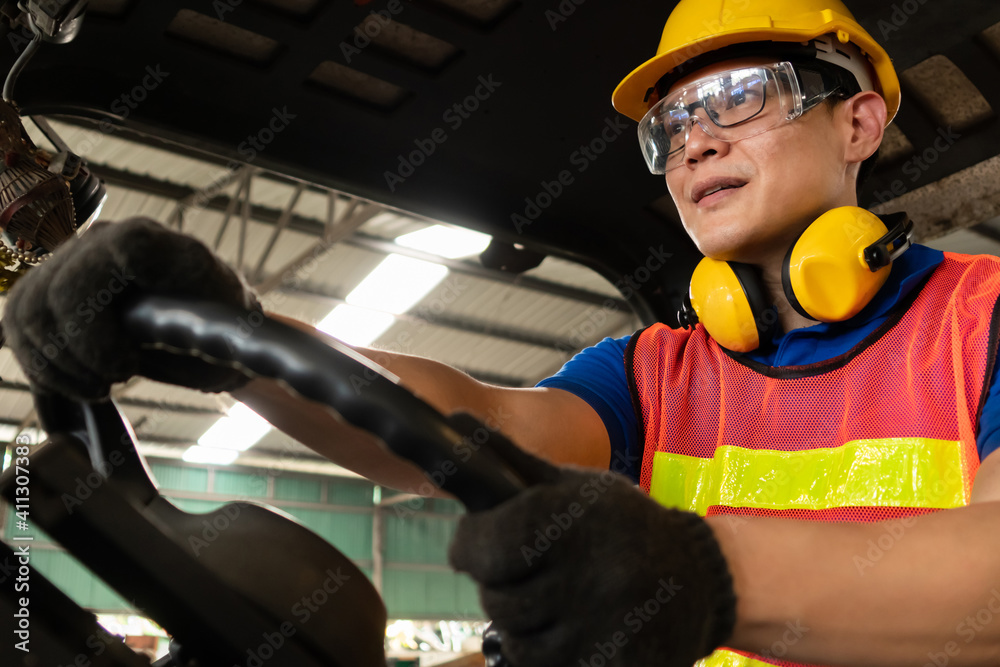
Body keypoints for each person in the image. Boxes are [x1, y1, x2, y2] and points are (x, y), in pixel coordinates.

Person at [7, 0, 1000, 665]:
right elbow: (470, 421)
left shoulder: (981, 316)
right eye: (670, 126)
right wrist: (233, 333)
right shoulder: (657, 370)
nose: (694, 138)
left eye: (738, 97)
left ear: (860, 124)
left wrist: (700, 574)